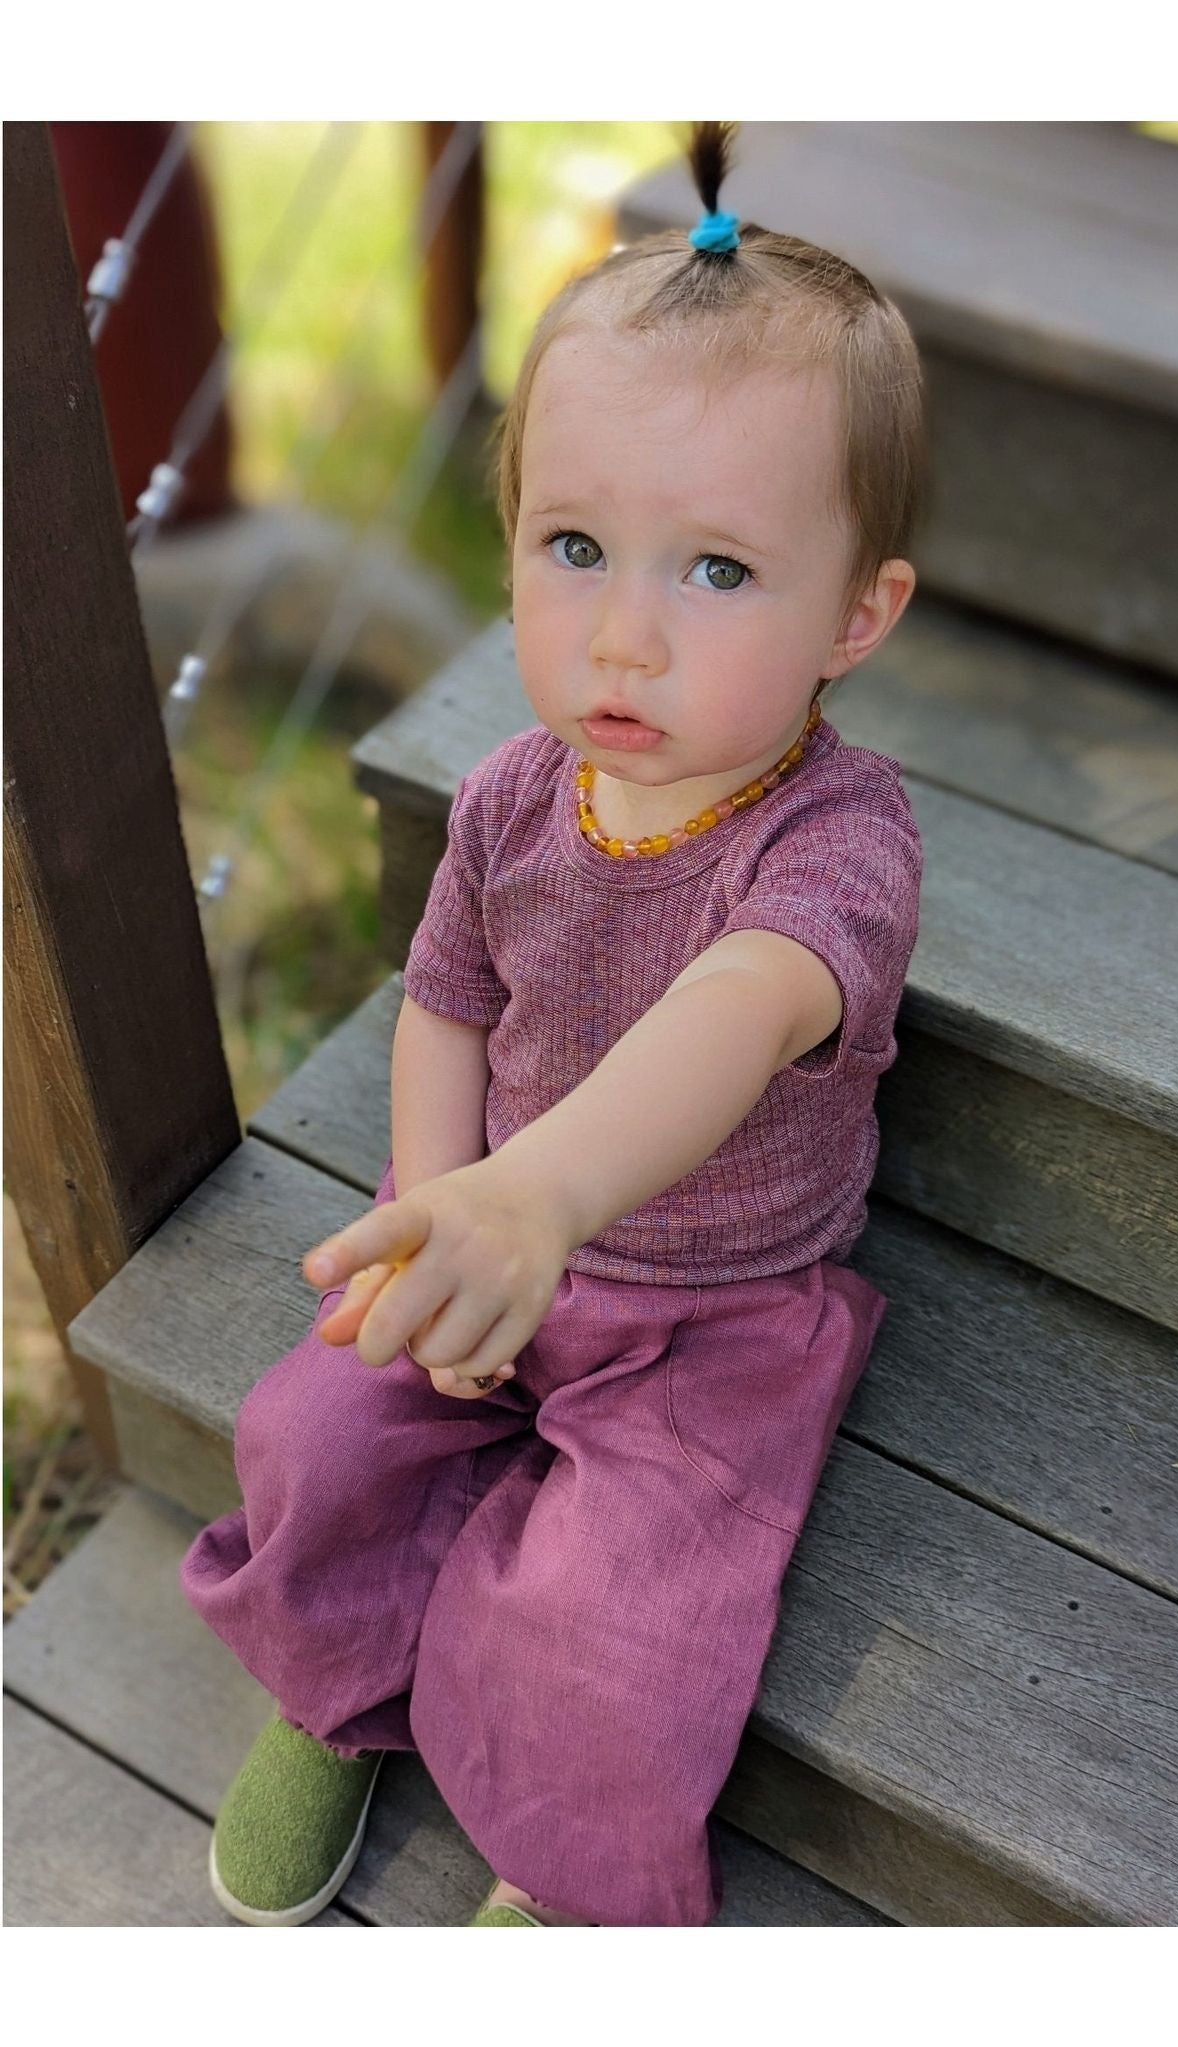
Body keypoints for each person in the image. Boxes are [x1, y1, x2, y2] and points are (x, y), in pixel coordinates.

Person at [181, 120, 926, 1929]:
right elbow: (445, 1002)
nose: (624, 644)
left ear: (859, 612)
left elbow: (742, 1009)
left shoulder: (839, 841)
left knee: (618, 1624)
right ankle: (333, 1692)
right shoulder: (519, 795)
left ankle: (570, 1864)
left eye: (718, 573)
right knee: (314, 1439)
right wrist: (443, 1205)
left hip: (712, 1313)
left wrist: (544, 1196)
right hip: (494, 1236)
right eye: (574, 546)